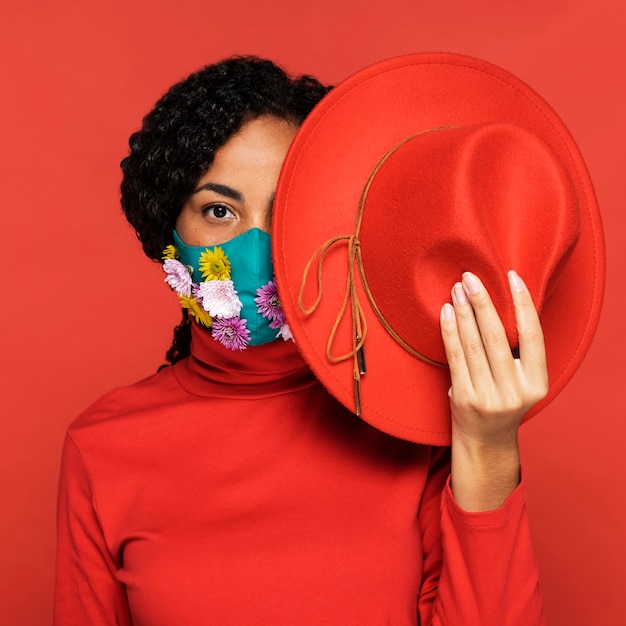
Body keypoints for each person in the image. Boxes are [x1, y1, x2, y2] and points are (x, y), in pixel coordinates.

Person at [54, 56, 548, 625]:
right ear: (166, 227)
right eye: (219, 210)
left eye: (286, 205)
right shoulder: (102, 447)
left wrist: (488, 447)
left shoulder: (417, 423)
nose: (258, 244)